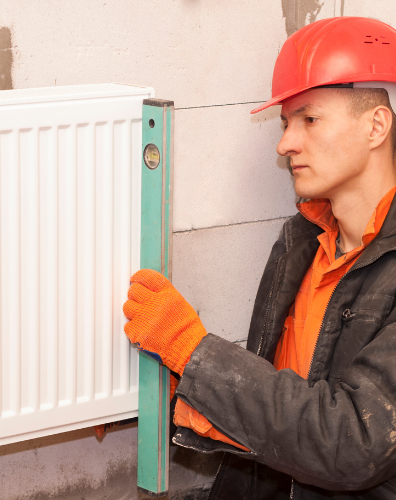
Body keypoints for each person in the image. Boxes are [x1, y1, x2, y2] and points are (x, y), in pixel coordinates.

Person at [123, 17, 396, 499]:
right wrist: (158, 389)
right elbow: (276, 414)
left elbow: (352, 442)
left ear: (376, 125)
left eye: (309, 119)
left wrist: (196, 352)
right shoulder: (300, 244)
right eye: (286, 122)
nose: (285, 142)